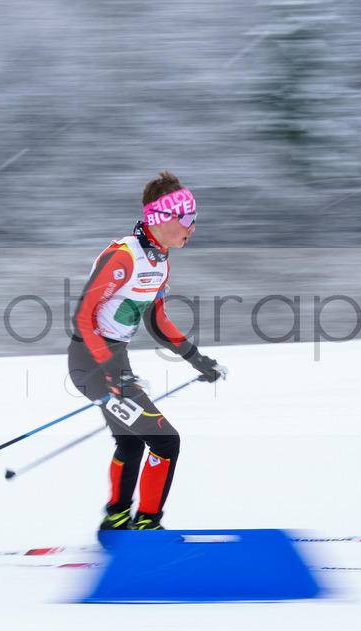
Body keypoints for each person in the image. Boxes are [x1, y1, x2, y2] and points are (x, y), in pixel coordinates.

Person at [68, 170, 227, 531]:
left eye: (195, 218)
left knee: (132, 443)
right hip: (92, 362)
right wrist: (111, 372)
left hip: (112, 361)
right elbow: (82, 318)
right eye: (186, 218)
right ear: (162, 219)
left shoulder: (159, 263)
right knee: (165, 440)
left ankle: (118, 520)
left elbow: (157, 322)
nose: (193, 226)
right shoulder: (122, 258)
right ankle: (148, 525)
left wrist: (196, 359)